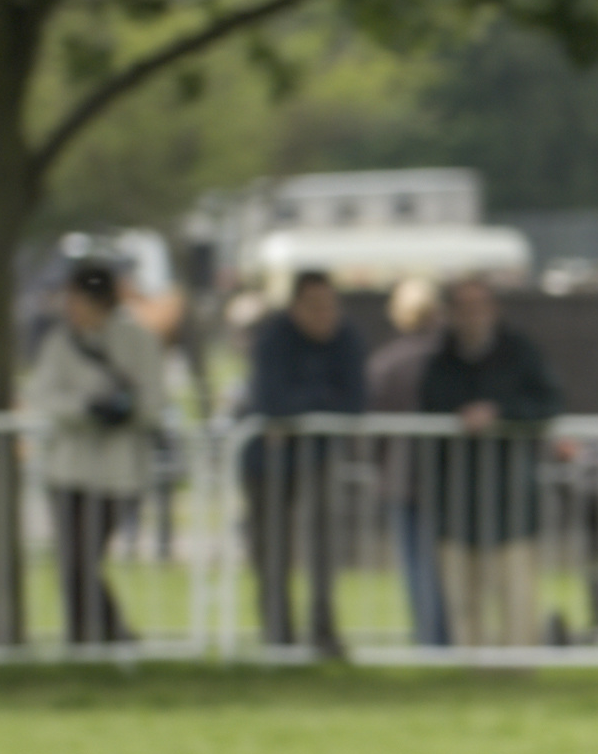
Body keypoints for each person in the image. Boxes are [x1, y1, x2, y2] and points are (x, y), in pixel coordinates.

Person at [27, 258, 164, 644]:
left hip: (119, 473)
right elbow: (43, 397)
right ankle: (90, 637)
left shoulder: (138, 341)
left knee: (84, 559)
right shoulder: (60, 342)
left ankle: (107, 636)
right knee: (73, 561)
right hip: (69, 470)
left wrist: (124, 411)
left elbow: (153, 400)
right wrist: (85, 409)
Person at [418, 278, 561, 647]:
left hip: (510, 499)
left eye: (480, 306)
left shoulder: (520, 352)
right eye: (464, 308)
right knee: (464, 603)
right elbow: (429, 410)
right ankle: (473, 675)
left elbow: (548, 402)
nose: (473, 316)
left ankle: (518, 672)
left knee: (517, 599)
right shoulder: (439, 361)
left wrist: (500, 414)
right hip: (457, 501)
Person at [240, 270, 365, 658]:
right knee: (271, 548)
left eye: (330, 306)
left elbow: (356, 402)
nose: (324, 315)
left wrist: (303, 411)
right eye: (314, 306)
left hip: (319, 455)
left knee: (325, 543)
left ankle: (323, 629)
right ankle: (278, 633)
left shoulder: (347, 340)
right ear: (295, 307)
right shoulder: (273, 339)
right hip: (267, 461)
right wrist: (322, 400)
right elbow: (271, 401)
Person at [364, 276, 450, 647]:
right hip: (447, 478)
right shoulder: (448, 359)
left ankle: (429, 638)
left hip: (401, 478)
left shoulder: (386, 363)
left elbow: (373, 430)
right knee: (445, 565)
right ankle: (444, 637)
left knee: (416, 565)